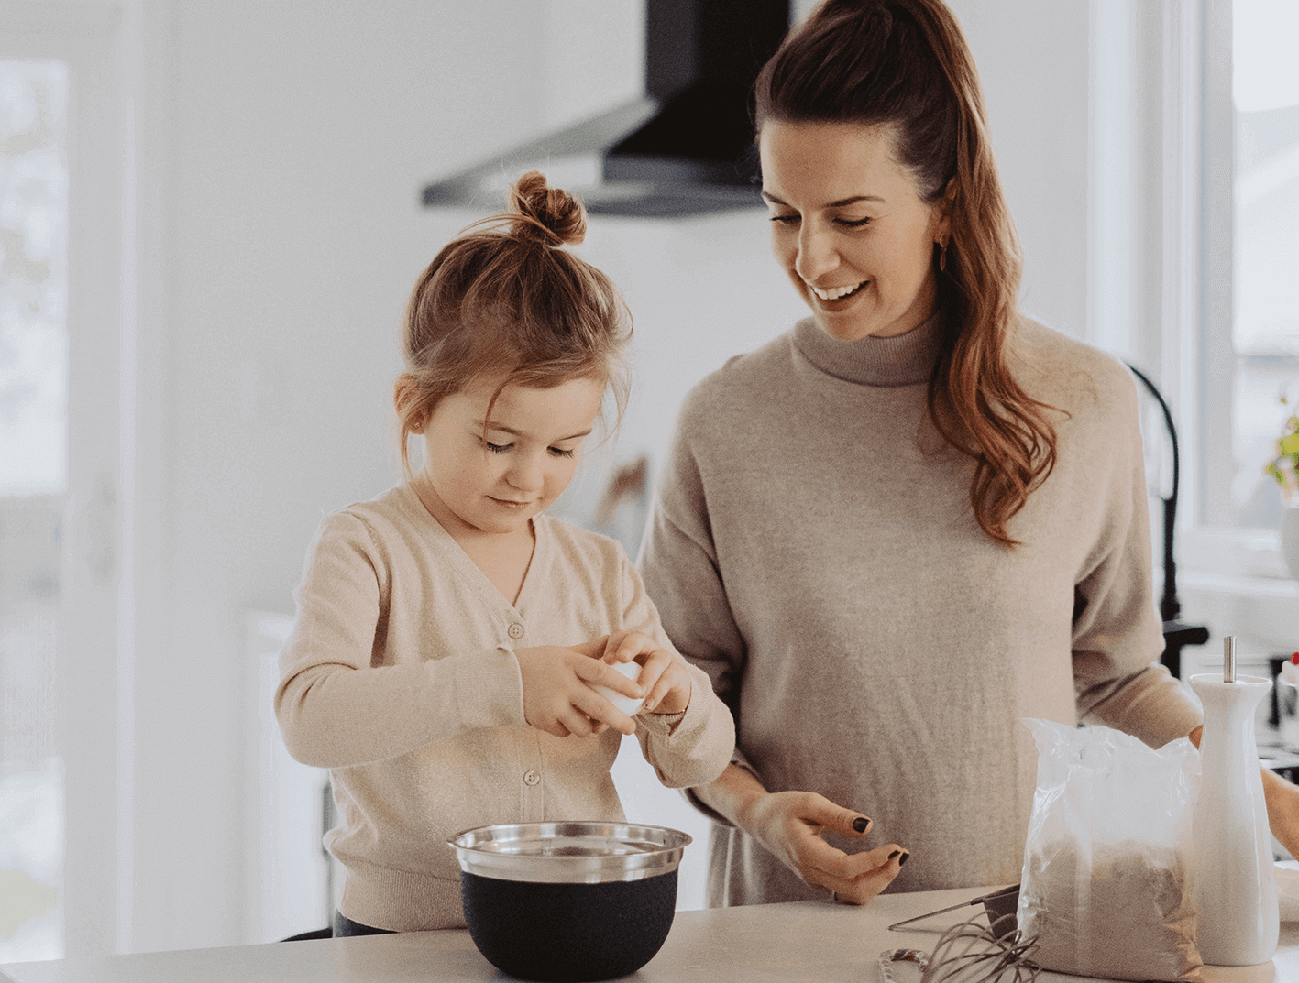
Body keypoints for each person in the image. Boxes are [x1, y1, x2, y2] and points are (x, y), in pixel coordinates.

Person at [638, 0, 1299, 908]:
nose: (812, 257)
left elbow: (1117, 676)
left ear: (944, 202)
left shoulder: (1083, 403)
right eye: (783, 215)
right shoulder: (723, 423)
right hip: (786, 939)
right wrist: (756, 811)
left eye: (851, 217)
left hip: (1022, 937)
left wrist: (1271, 802)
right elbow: (676, 699)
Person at [275, 171, 735, 935]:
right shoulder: (368, 545)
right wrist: (505, 683)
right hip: (400, 938)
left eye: (563, 447)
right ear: (416, 408)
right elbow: (310, 720)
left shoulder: (599, 568)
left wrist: (676, 693)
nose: (530, 476)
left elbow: (699, 761)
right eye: (497, 442)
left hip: (573, 925)